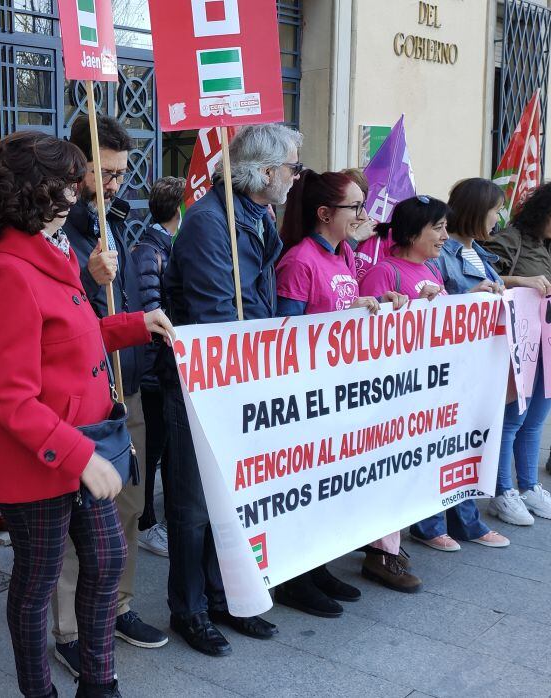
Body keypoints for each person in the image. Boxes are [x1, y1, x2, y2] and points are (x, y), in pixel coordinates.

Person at [0, 130, 172, 698]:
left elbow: (67, 339)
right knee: (36, 585)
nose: (80, 190)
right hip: (43, 458)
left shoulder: (47, 251)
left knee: (106, 561)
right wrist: (81, 456)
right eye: (67, 182)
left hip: (75, 445)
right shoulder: (10, 269)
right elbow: (9, 394)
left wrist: (133, 323)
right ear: (37, 192)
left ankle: (98, 682)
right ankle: (41, 690)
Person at [163, 123, 301, 655]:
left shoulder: (259, 215)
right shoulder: (207, 222)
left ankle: (222, 599)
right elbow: (217, 313)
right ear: (265, 172)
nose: (294, 177)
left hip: (242, 376)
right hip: (202, 384)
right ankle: (189, 610)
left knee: (233, 498)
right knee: (193, 506)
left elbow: (258, 301)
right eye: (292, 167)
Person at [53, 114, 167, 678]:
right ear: (76, 166)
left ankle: (116, 605)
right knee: (80, 513)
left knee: (126, 504)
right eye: (105, 172)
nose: (115, 185)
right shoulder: (55, 225)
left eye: (122, 174)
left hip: (126, 379)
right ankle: (69, 629)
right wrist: (90, 277)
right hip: (80, 391)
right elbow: (62, 315)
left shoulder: (117, 218)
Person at [273, 169, 411, 616]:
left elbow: (346, 311)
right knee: (302, 491)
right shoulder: (298, 260)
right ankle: (293, 578)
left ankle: (315, 567)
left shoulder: (346, 255)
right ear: (324, 212)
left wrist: (381, 305)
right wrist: (344, 312)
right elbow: (285, 335)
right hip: (307, 397)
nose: (363, 214)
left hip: (341, 394)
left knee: (326, 492)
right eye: (355, 206)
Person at [407, 178, 513, 549]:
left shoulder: (477, 253)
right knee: (438, 443)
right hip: (445, 364)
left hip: (474, 365)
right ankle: (431, 523)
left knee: (464, 442)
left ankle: (466, 518)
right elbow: (441, 303)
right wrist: (469, 297)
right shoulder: (446, 253)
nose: (500, 216)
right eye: (495, 209)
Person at [358, 195, 456, 593]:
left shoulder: (432, 268)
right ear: (413, 232)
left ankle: (391, 544)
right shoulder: (385, 273)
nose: (445, 236)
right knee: (388, 471)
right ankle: (380, 553)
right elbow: (365, 332)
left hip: (421, 392)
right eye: (438, 228)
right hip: (390, 395)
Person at [483, 183, 551, 525]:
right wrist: (523, 282)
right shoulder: (512, 239)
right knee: (514, 419)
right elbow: (487, 279)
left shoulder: (545, 243)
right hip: (521, 340)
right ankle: (502, 490)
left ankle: (529, 486)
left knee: (536, 417)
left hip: (548, 344)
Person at [132, 176, 185, 558]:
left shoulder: (168, 246)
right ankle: (147, 521)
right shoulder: (150, 250)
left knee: (165, 447)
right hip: (154, 372)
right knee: (152, 450)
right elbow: (150, 308)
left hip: (166, 368)